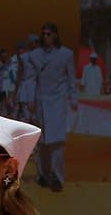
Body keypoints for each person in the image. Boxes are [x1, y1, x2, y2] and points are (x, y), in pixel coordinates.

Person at [20, 22, 77, 191]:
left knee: (57, 141)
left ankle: (57, 177)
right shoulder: (33, 55)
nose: (46, 37)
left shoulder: (66, 54)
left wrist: (73, 99)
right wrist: (29, 98)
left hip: (58, 100)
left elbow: (71, 77)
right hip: (40, 100)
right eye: (43, 34)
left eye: (49, 34)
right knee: (41, 142)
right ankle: (43, 174)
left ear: (56, 35)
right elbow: (29, 78)